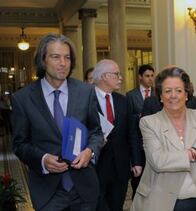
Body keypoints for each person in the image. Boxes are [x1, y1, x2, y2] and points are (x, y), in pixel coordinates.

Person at [11, 33, 103, 210]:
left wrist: (90, 152)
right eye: (55, 57)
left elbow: (96, 131)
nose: (63, 63)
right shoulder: (22, 99)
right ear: (43, 60)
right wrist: (43, 159)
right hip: (48, 193)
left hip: (84, 190)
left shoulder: (86, 92)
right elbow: (20, 144)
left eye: (67, 57)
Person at [130, 67, 196, 211]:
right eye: (167, 91)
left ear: (186, 94)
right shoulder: (149, 122)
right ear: (160, 96)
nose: (173, 95)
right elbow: (159, 160)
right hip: (161, 201)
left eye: (179, 90)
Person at [93, 59, 139, 211]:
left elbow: (132, 133)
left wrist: (136, 161)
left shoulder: (124, 101)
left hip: (120, 167)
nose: (121, 77)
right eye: (117, 74)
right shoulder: (86, 100)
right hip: (95, 167)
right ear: (105, 76)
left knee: (116, 206)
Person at [126, 64, 155, 199]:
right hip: (138, 145)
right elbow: (130, 124)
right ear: (140, 77)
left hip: (155, 145)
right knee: (138, 185)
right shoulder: (131, 96)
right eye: (147, 76)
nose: (150, 79)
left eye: (152, 76)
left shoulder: (158, 94)